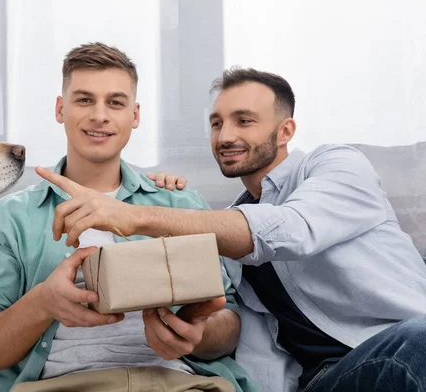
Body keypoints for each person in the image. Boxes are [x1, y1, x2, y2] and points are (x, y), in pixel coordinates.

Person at [38, 67, 426, 392]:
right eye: (216, 123)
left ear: (286, 130)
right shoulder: (224, 225)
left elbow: (289, 229)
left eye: (244, 121)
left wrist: (135, 214)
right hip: (319, 381)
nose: (225, 137)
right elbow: (225, 312)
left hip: (404, 347)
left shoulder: (338, 166)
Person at [0, 43, 260, 392]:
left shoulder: (179, 204)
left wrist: (196, 331)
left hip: (181, 384)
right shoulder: (10, 218)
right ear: (61, 109)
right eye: (84, 100)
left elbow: (229, 323)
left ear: (135, 116)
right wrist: (44, 302)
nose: (99, 115)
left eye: (115, 103)